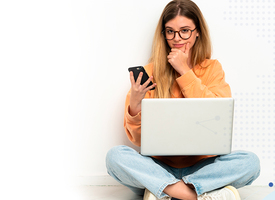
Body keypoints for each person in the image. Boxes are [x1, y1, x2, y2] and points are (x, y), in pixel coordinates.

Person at [105, 0, 260, 200]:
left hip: (202, 167)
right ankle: (194, 194)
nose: (177, 39)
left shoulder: (212, 69)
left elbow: (217, 119)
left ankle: (162, 191)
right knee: (115, 157)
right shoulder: (150, 72)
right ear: (163, 34)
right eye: (170, 31)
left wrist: (184, 71)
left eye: (184, 31)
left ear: (197, 32)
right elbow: (138, 140)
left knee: (250, 162)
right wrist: (135, 104)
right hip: (158, 166)